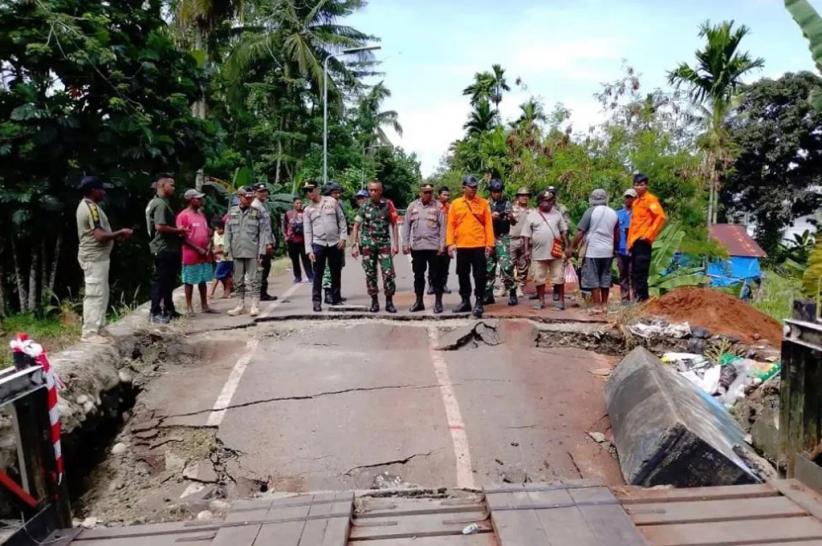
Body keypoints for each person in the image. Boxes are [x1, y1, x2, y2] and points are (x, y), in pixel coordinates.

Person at [75, 176, 133, 342]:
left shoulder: (89, 206)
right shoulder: (91, 208)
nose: (104, 192)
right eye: (101, 189)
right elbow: (100, 236)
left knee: (101, 292)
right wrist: (120, 233)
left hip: (98, 257)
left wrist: (114, 236)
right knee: (94, 294)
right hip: (94, 258)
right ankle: (90, 333)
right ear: (93, 190)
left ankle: (99, 327)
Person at [446, 175, 495, 318]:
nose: (473, 190)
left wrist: (490, 244)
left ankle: (479, 302)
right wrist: (450, 244)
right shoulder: (455, 204)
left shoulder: (483, 203)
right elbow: (450, 225)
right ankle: (465, 301)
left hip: (479, 245)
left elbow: (488, 225)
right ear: (464, 188)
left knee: (480, 275)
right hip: (462, 245)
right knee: (462, 274)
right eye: (471, 187)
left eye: (475, 187)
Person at [351, 180, 400, 313]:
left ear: (381, 191)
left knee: (388, 273)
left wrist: (396, 244)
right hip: (368, 245)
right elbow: (356, 226)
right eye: (371, 190)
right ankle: (374, 301)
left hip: (384, 244)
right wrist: (354, 245)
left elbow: (394, 224)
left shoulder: (388, 204)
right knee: (370, 273)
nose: (373, 192)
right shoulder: (365, 206)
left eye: (376, 190)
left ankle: (389, 302)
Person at [569, 189, 619, 315]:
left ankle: (597, 306)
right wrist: (615, 249)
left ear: (592, 199)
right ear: (606, 198)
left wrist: (572, 247)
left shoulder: (590, 212)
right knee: (605, 277)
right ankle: (605, 305)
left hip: (593, 250)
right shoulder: (613, 213)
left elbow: (580, 232)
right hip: (608, 250)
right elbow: (616, 234)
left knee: (593, 277)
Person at [146, 174, 188, 324]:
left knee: (169, 280)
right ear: (162, 186)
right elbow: (160, 227)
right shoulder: (161, 204)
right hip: (163, 247)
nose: (174, 188)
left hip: (167, 247)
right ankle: (155, 311)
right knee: (161, 280)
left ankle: (168, 308)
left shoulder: (157, 202)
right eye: (172, 185)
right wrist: (179, 231)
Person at [224, 186, 270, 317]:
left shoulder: (256, 212)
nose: (249, 200)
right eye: (246, 197)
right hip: (237, 250)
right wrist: (226, 248)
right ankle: (240, 305)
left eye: (251, 197)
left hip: (253, 251)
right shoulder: (231, 212)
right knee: (238, 280)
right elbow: (227, 231)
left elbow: (263, 233)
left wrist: (262, 250)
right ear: (240, 197)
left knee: (255, 279)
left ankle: (255, 305)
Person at [521, 190, 569, 310]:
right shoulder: (532, 215)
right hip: (538, 253)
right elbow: (526, 235)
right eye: (545, 201)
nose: (548, 203)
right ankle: (541, 301)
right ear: (540, 202)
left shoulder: (557, 214)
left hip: (556, 252)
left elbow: (563, 231)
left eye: (550, 201)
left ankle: (561, 302)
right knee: (539, 277)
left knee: (559, 277)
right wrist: (526, 251)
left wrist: (567, 247)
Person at [304, 181, 347, 312]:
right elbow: (307, 231)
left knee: (336, 272)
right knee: (318, 274)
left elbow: (341, 220)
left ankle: (336, 298)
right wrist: (309, 250)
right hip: (319, 243)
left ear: (317, 189)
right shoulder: (308, 210)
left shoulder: (332, 202)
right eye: (306, 191)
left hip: (335, 242)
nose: (309, 193)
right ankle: (317, 301)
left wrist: (343, 237)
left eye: (311, 189)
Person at [403, 183, 446, 313]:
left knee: (436, 276)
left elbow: (443, 227)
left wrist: (442, 245)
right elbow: (406, 226)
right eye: (425, 192)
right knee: (418, 276)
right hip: (417, 247)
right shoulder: (412, 206)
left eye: (430, 192)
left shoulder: (438, 206)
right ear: (420, 193)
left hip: (434, 247)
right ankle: (419, 301)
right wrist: (405, 243)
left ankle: (438, 302)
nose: (428, 194)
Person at [628, 172, 667, 301]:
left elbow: (660, 217)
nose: (638, 187)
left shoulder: (651, 199)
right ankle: (637, 300)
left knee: (641, 272)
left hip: (643, 241)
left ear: (646, 186)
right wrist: (629, 244)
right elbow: (633, 225)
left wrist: (649, 234)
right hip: (634, 242)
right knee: (634, 273)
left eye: (641, 185)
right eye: (636, 185)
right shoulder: (635, 203)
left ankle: (643, 301)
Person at [176, 189, 215, 315]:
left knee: (203, 279)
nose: (200, 200)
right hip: (191, 254)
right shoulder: (183, 216)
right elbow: (182, 237)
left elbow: (206, 231)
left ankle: (204, 305)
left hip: (205, 253)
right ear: (190, 200)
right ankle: (189, 307)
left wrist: (209, 241)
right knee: (189, 280)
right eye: (197, 198)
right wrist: (197, 248)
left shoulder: (201, 214)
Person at [484, 179, 517, 306]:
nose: (496, 194)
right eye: (494, 191)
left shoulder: (507, 203)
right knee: (489, 267)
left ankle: (512, 292)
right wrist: (491, 217)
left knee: (506, 266)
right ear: (491, 192)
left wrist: (510, 217)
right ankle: (488, 294)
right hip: (489, 237)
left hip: (502, 238)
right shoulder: (485, 204)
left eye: (498, 191)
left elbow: (513, 222)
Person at [321, 181, 346, 304]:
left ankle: (337, 294)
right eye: (335, 193)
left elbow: (342, 221)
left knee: (338, 267)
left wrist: (343, 237)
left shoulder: (339, 204)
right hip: (326, 242)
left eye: (338, 192)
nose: (338, 195)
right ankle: (327, 293)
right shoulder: (322, 204)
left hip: (338, 241)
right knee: (327, 268)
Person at [252, 184, 277, 301]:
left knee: (266, 266)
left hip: (267, 242)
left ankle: (263, 292)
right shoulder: (255, 207)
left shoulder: (263, 205)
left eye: (265, 191)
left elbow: (267, 227)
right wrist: (265, 243)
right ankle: (259, 293)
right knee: (262, 267)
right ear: (255, 193)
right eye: (261, 191)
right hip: (260, 244)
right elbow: (255, 228)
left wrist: (271, 241)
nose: (264, 193)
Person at [429, 186, 453, 295]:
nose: (446, 197)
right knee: (433, 264)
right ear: (439, 195)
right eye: (444, 195)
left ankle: (444, 284)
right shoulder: (434, 207)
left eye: (448, 195)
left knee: (445, 264)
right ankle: (432, 285)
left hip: (447, 240)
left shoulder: (450, 207)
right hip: (435, 240)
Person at [283, 197, 313, 284]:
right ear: (293, 204)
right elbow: (284, 226)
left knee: (306, 259)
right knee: (295, 260)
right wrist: (286, 236)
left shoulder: (306, 213)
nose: (299, 205)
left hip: (303, 240)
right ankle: (297, 277)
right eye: (297, 203)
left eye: (300, 203)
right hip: (292, 241)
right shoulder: (288, 214)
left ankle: (310, 276)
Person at [509, 187, 532, 298]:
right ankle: (507, 286)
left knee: (523, 266)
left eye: (526, 195)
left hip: (525, 241)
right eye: (522, 195)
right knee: (509, 265)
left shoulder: (532, 211)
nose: (524, 197)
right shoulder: (511, 209)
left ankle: (520, 287)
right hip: (512, 239)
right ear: (517, 197)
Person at [617, 189, 636, 303]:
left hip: (634, 250)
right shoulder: (618, 214)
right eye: (626, 197)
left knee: (633, 274)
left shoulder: (638, 214)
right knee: (623, 275)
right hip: (620, 249)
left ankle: (635, 299)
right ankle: (624, 299)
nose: (628, 200)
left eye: (630, 197)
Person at [210, 220, 234, 298]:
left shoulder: (227, 236)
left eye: (220, 229)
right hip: (220, 258)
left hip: (226, 259)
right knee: (226, 276)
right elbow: (215, 244)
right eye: (217, 229)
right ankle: (227, 292)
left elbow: (225, 249)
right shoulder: (215, 233)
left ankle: (211, 293)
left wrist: (215, 252)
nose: (218, 231)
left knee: (216, 276)